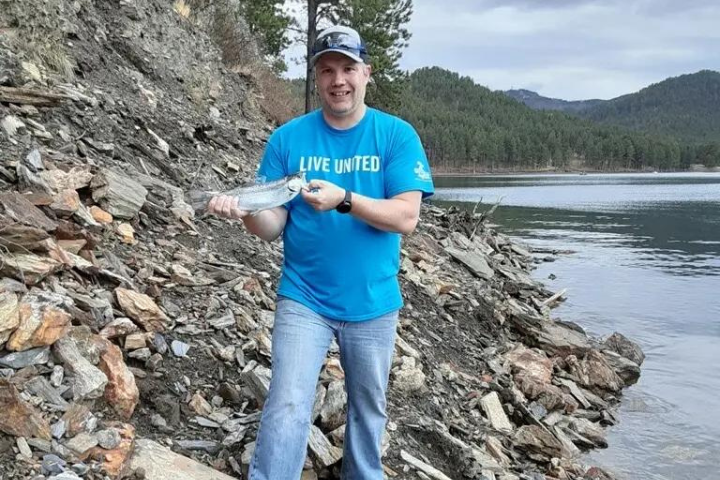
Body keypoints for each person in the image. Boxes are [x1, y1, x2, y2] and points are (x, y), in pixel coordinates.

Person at [207, 25, 434, 480]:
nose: (338, 80)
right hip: (304, 297)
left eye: (348, 68)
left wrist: (344, 199)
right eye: (327, 70)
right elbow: (272, 226)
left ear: (366, 73)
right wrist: (244, 212)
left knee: (369, 407)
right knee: (287, 401)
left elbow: (406, 217)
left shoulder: (395, 135)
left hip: (373, 301)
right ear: (317, 78)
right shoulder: (288, 139)